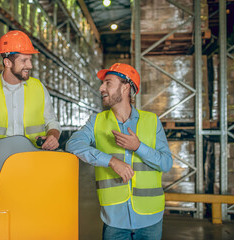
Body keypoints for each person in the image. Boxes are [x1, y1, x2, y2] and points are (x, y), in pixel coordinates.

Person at [66, 63, 173, 240]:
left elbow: (166, 163)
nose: (101, 88)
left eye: (108, 83)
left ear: (125, 87)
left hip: (150, 217)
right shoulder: (97, 121)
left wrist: (138, 147)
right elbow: (73, 144)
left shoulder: (151, 121)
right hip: (114, 218)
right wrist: (111, 161)